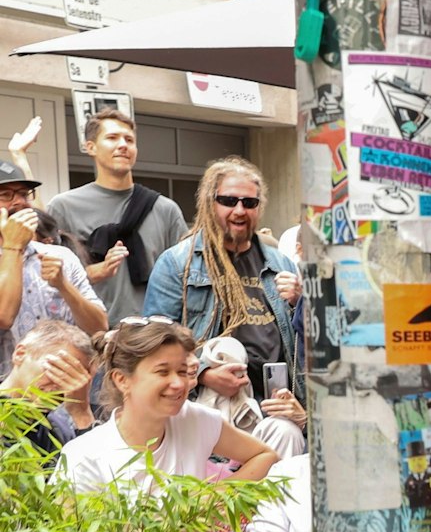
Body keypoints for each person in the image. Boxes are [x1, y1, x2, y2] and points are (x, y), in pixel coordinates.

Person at [142, 157, 308, 457]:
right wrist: (203, 372)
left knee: (286, 452)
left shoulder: (279, 264)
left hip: (270, 408)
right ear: (209, 203)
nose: (240, 210)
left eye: (249, 202)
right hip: (205, 408)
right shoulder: (177, 263)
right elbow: (153, 343)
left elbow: (310, 345)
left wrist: (300, 303)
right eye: (229, 200)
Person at [62, 318, 277, 496]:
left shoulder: (194, 419)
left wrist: (209, 500)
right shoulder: (84, 457)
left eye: (183, 372)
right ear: (122, 380)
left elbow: (264, 456)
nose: (178, 384)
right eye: (162, 372)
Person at [44, 110, 188, 326]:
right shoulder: (64, 206)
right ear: (90, 147)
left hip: (152, 336)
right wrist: (95, 271)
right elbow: (49, 278)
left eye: (129, 139)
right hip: (91, 334)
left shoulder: (165, 209)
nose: (123, 145)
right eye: (112, 138)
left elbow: (185, 277)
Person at [0, 164, 106, 348]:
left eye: (24, 194)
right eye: (6, 195)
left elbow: (99, 327)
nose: (20, 202)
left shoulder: (61, 256)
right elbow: (3, 317)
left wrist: (63, 285)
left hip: (65, 373)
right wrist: (13, 245)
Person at [1, 318, 95, 453]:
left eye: (74, 378)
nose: (61, 385)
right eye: (57, 370)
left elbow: (96, 471)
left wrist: (82, 414)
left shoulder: (58, 430)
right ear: (20, 354)